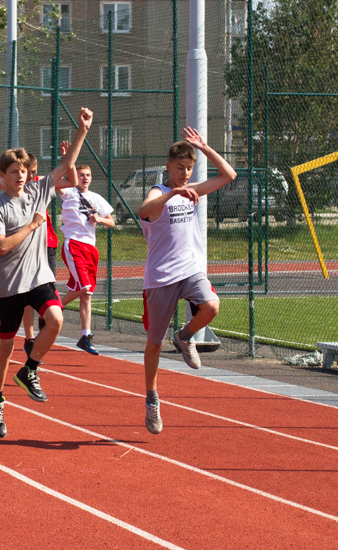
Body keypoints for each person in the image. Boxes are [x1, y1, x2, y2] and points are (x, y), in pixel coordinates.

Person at [0, 107, 93, 439]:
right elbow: (1, 247)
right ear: (2, 174)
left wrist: (82, 130)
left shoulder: (39, 191)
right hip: (7, 287)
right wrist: (32, 225)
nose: (19, 176)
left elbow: (66, 165)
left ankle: (30, 370)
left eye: (23, 171)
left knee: (56, 320)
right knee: (4, 350)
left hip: (39, 279)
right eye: (13, 171)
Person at [138, 128, 236, 434]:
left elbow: (228, 175)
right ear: (168, 167)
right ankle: (152, 399)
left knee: (211, 306)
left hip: (190, 270)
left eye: (189, 169)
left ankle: (184, 336)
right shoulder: (159, 192)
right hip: (161, 278)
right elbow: (143, 210)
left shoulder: (192, 190)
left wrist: (205, 147)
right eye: (180, 168)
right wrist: (172, 193)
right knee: (153, 345)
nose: (185, 173)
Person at [0, 143, 74, 356]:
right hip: (14, 259)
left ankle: (34, 349)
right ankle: (29, 337)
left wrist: (72, 151)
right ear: (6, 174)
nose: (26, 176)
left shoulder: (38, 187)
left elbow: (69, 176)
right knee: (9, 336)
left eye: (29, 172)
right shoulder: (4, 189)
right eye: (18, 171)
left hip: (44, 247)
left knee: (45, 299)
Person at [58, 164, 115, 355]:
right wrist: (69, 164)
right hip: (74, 244)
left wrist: (99, 219)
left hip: (91, 248)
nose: (85, 178)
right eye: (81, 175)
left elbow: (112, 222)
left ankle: (85, 336)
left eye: (88, 175)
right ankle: (56, 304)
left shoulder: (96, 198)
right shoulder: (68, 191)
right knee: (85, 287)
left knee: (86, 295)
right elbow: (58, 181)